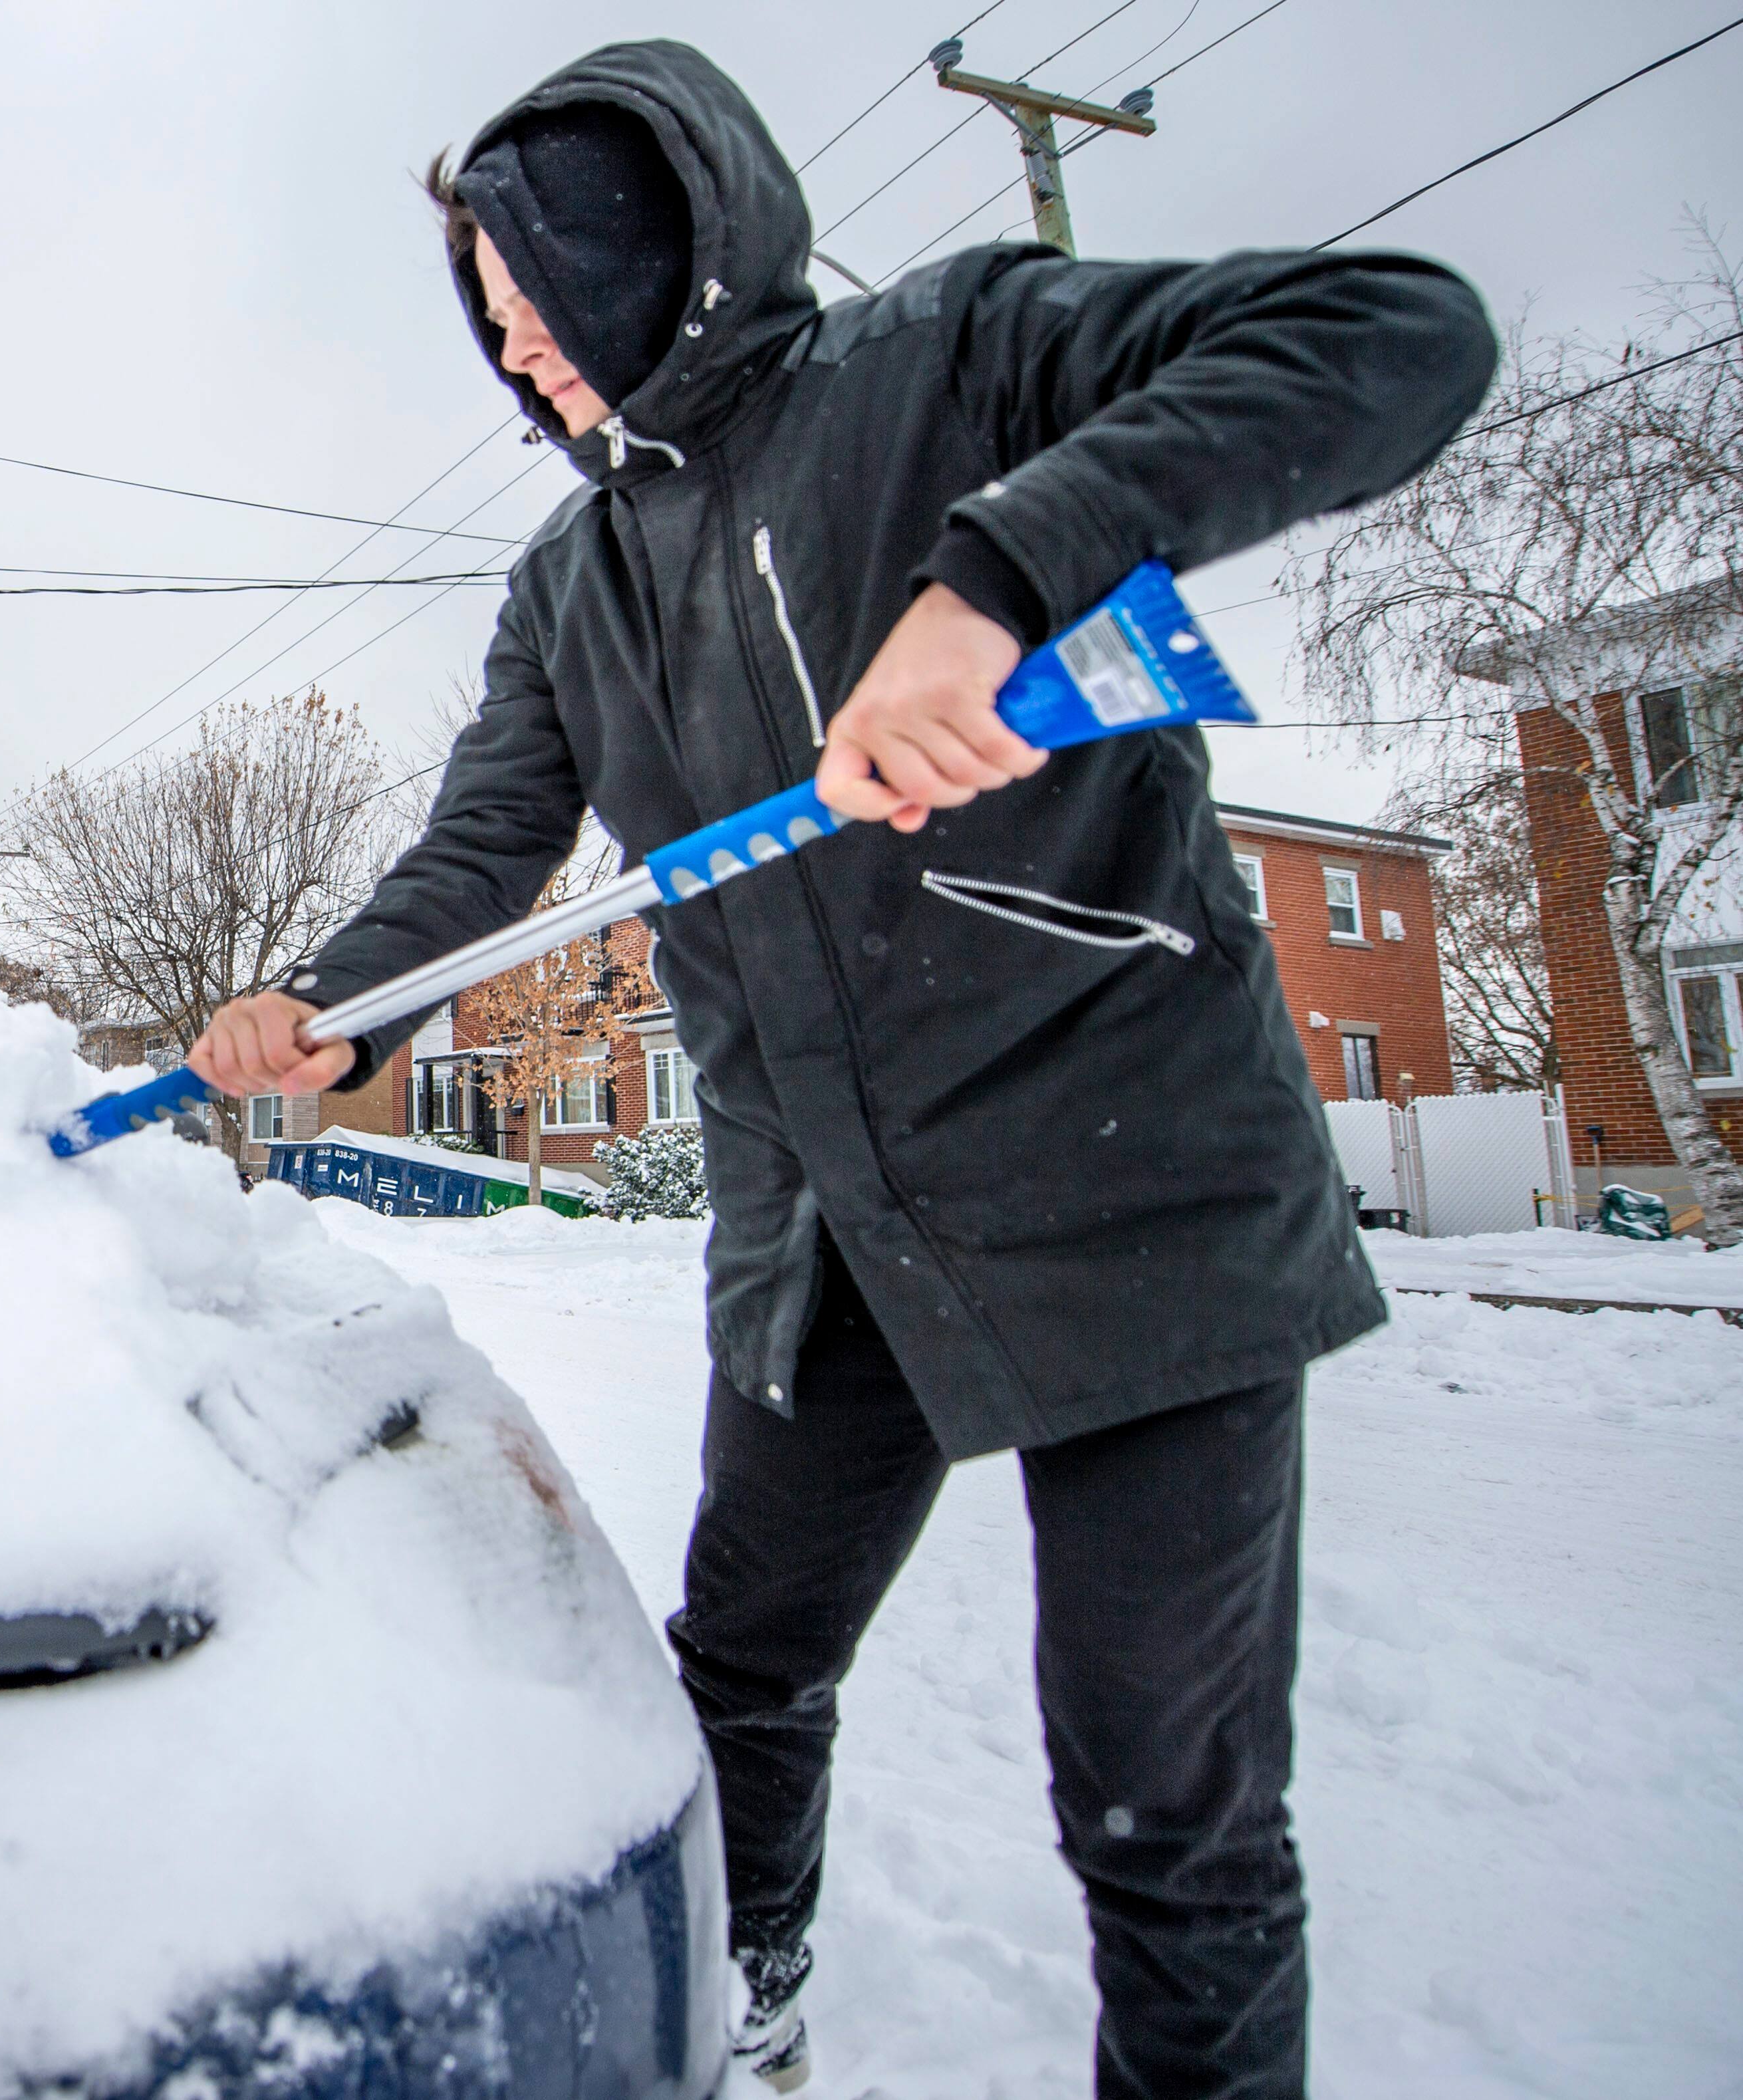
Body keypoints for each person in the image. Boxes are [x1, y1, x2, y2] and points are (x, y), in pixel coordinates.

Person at [183, 41, 1494, 2100]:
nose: (522, 374)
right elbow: (479, 855)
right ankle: (753, 1981)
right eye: (493, 341)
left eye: (540, 317)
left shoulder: (952, 357)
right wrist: (336, 1005)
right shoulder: (574, 582)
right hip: (825, 1226)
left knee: (1168, 1813)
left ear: (651, 260)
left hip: (1135, 1181)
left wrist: (1000, 584)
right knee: (746, 1668)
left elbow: (1395, 332)